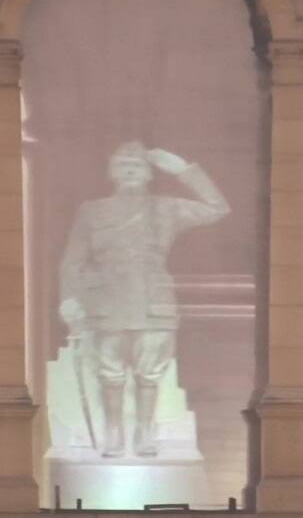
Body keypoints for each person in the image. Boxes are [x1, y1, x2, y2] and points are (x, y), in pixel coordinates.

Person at [59, 141, 229, 458]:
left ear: (150, 173)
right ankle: (113, 434)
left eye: (137, 165)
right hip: (108, 302)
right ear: (112, 172)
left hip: (154, 303)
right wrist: (70, 297)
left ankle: (145, 433)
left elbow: (218, 209)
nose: (130, 170)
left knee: (150, 373)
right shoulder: (92, 211)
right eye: (123, 164)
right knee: (110, 374)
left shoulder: (166, 208)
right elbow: (73, 260)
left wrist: (183, 169)